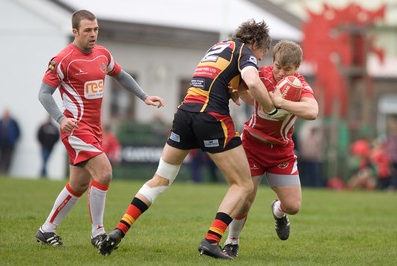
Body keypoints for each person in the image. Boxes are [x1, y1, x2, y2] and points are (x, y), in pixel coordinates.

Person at [98, 19, 274, 260]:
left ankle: (118, 231)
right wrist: (271, 108)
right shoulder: (244, 50)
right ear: (254, 43)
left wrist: (235, 92)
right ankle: (212, 240)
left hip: (185, 113)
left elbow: (228, 84)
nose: (261, 58)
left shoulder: (218, 46)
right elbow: (253, 82)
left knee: (160, 179)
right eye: (263, 52)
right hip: (211, 117)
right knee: (243, 184)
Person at [35, 10, 164, 248]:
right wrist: (60, 118)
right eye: (87, 30)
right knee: (104, 172)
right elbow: (44, 94)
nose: (93, 34)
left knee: (79, 185)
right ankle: (98, 233)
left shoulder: (103, 54)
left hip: (94, 130)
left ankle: (47, 229)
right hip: (75, 128)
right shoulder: (63, 59)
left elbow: (121, 75)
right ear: (75, 32)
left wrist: (144, 97)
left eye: (95, 29)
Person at [222, 40, 319, 258]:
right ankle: (232, 242)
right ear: (272, 62)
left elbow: (313, 111)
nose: (281, 73)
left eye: (288, 69)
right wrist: (236, 92)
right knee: (245, 199)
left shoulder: (300, 85)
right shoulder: (260, 74)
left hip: (280, 152)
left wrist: (281, 103)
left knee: (293, 206)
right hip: (252, 146)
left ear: (297, 68)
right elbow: (239, 85)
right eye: (278, 66)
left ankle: (277, 211)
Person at [0, 108, 21, 175]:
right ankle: (0, 171)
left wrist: (14, 140)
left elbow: (18, 132)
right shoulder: (0, 121)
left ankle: (5, 171)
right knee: (1, 157)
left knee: (8, 158)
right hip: (1, 143)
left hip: (10, 144)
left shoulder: (13, 122)